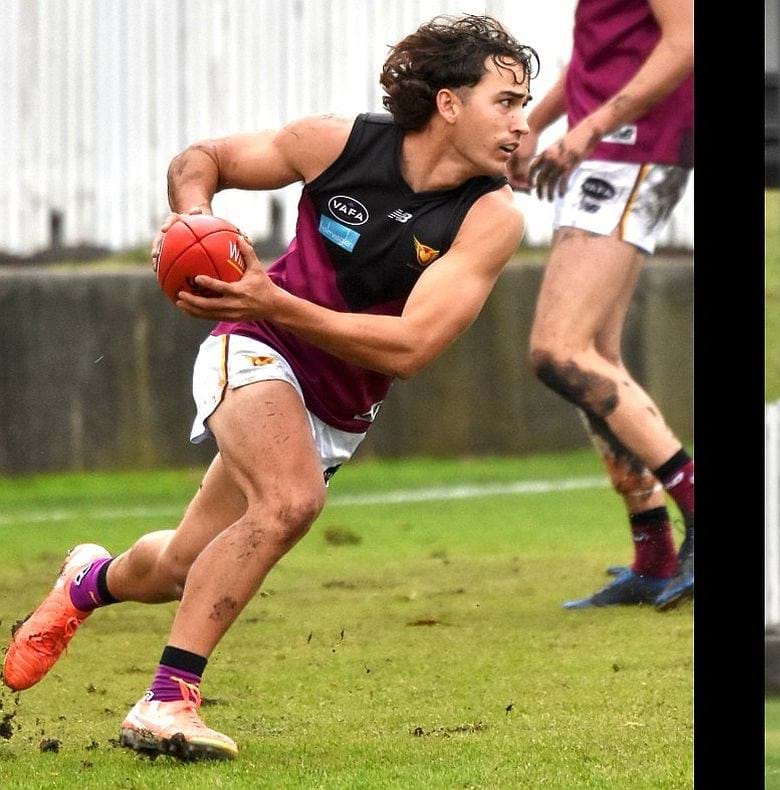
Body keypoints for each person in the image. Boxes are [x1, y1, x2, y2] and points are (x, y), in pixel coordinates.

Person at [2, 15, 536, 761]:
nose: (522, 123)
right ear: (448, 103)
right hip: (254, 347)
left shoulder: (489, 217)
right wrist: (194, 220)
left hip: (334, 405)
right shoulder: (337, 144)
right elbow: (205, 159)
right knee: (289, 501)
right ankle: (166, 701)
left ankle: (87, 581)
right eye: (506, 102)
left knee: (181, 565)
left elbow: (414, 347)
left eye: (523, 104)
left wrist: (274, 299)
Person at [505, 0, 694, 610]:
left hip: (630, 148)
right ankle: (654, 554)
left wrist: (588, 129)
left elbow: (687, 42)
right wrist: (538, 122)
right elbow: (600, 55)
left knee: (557, 352)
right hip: (609, 150)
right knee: (594, 358)